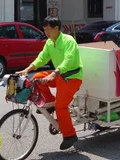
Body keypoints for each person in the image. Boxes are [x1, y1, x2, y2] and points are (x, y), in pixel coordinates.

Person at [17, 16, 83, 150]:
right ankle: (49, 103)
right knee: (37, 78)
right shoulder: (49, 42)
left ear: (57, 29)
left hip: (72, 77)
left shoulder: (68, 41)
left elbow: (68, 60)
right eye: (44, 29)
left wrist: (54, 74)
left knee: (61, 106)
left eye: (48, 29)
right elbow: (42, 57)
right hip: (59, 75)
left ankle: (70, 135)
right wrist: (27, 69)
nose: (46, 32)